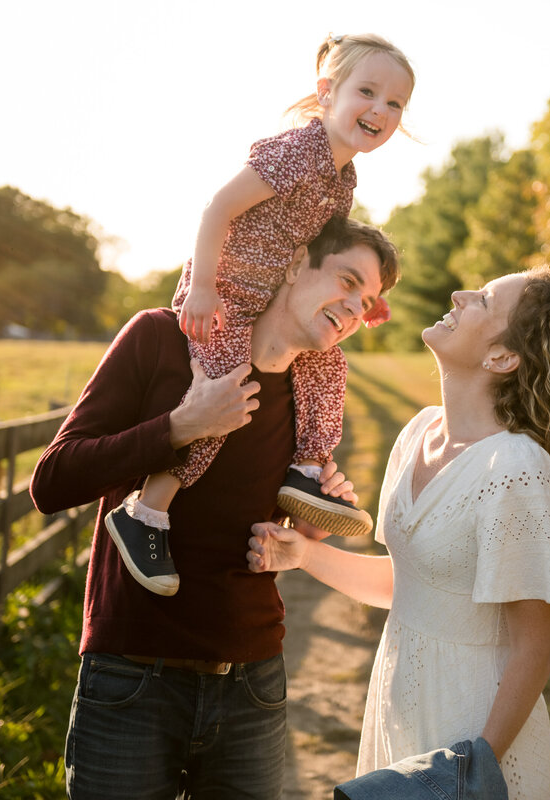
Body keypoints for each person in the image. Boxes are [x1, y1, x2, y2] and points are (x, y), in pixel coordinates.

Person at [30, 215, 400, 800]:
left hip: (253, 681)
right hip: (132, 674)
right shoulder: (161, 337)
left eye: (369, 300)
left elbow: (272, 530)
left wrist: (309, 523)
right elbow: (51, 483)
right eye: (348, 281)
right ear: (294, 260)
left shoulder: (313, 388)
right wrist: (180, 426)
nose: (356, 307)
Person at [247, 267, 550, 799]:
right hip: (397, 702)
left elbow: (534, 646)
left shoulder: (516, 466)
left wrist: (471, 769)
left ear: (501, 358)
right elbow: (410, 585)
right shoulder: (418, 433)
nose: (457, 293)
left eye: (482, 300)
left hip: (470, 731)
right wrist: (305, 556)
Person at [104, 33, 416, 597]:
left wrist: (367, 294)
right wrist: (201, 288)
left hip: (262, 307)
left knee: (327, 367)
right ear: (327, 93)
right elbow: (218, 208)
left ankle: (306, 469)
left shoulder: (343, 177)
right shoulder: (299, 149)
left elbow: (323, 248)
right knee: (226, 399)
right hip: (222, 302)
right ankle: (147, 511)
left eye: (395, 103)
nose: (381, 110)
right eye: (367, 92)